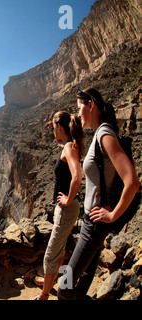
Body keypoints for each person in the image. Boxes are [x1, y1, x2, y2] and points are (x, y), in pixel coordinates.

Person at [57, 88, 141, 300]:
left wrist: (112, 215)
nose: (77, 114)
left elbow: (132, 181)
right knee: (84, 276)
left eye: (79, 108)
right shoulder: (99, 134)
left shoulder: (104, 134)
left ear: (91, 105)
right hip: (92, 221)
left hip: (94, 224)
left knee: (64, 287)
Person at [33, 111, 84, 300]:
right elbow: (61, 142)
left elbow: (77, 177)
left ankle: (44, 295)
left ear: (60, 128)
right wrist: (52, 126)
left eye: (54, 128)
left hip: (66, 209)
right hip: (67, 209)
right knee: (60, 250)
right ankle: (51, 281)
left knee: (50, 254)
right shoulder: (68, 144)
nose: (53, 132)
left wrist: (68, 200)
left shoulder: (69, 148)